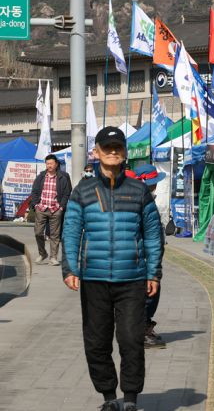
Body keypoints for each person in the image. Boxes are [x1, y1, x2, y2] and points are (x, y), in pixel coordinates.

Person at [60, 127, 163, 411]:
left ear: (125, 153)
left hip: (132, 279)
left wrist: (153, 272)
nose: (113, 152)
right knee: (96, 342)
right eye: (108, 148)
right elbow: (71, 231)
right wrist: (69, 268)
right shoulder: (83, 191)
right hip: (93, 279)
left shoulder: (139, 191)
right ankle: (108, 397)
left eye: (118, 148)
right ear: (96, 153)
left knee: (131, 340)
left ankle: (130, 397)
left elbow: (153, 234)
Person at [127, 164, 167, 350]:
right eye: (153, 182)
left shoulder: (144, 198)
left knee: (151, 294)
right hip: (143, 258)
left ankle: (144, 328)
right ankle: (141, 333)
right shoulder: (139, 202)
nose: (156, 185)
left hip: (149, 257)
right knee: (148, 295)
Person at [30, 153, 72, 265]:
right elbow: (34, 191)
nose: (49, 165)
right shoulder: (41, 177)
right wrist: (36, 205)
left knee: (55, 235)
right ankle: (42, 253)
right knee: (38, 233)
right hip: (41, 208)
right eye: (47, 163)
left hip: (55, 209)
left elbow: (67, 192)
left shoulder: (63, 176)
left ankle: (53, 257)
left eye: (51, 163)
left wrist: (61, 207)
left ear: (56, 164)